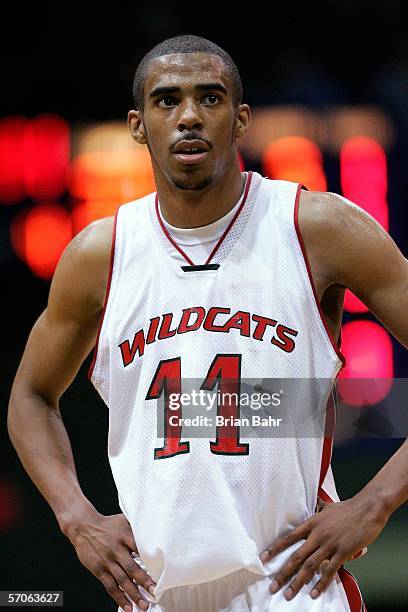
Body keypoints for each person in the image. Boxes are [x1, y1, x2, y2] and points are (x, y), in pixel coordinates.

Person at [7, 34, 408, 612]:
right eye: (167, 100)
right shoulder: (101, 254)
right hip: (155, 593)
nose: (189, 116)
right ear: (139, 125)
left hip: (293, 586)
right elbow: (30, 394)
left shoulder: (316, 227)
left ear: (241, 119)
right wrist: (77, 519)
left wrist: (374, 505)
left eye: (210, 98)